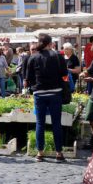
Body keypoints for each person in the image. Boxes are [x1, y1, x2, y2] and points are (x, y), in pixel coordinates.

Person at [25, 33, 68, 162]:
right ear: (50, 43)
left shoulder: (33, 58)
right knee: (56, 123)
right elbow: (64, 75)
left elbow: (28, 79)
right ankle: (59, 152)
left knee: (40, 123)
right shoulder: (58, 57)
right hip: (55, 93)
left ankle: (40, 152)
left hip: (39, 93)